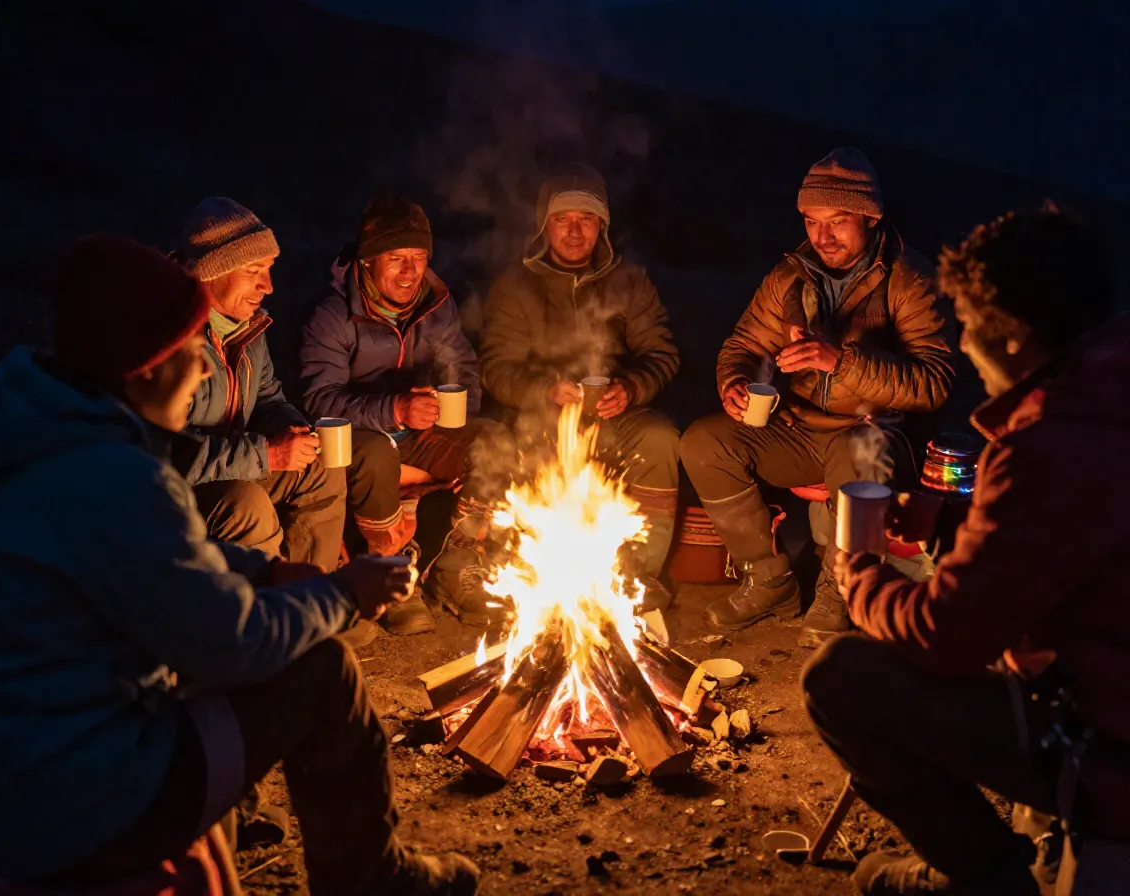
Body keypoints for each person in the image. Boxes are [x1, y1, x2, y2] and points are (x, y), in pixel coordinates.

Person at [0, 235, 479, 895]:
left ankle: (241, 815)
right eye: (192, 352)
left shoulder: (35, 437)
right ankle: (371, 879)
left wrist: (262, 572)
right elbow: (237, 644)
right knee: (321, 671)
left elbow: (150, 562)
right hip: (79, 810)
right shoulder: (119, 477)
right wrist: (344, 593)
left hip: (8, 787)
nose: (206, 370)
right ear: (148, 366)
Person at [803, 206, 1130, 895]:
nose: (966, 343)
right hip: (1104, 692)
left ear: (1010, 337)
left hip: (1104, 744)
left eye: (973, 326)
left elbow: (943, 634)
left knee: (840, 679)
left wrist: (858, 574)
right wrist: (965, 532)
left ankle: (987, 878)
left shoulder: (1049, 442)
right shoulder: (1108, 393)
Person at [680, 147, 955, 642]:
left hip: (876, 434)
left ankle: (842, 587)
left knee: (861, 455)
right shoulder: (791, 276)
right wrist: (734, 383)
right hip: (799, 428)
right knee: (704, 442)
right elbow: (743, 344)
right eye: (810, 221)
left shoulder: (909, 280)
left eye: (837, 221)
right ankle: (770, 581)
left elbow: (933, 383)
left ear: (870, 217)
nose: (821, 237)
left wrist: (841, 362)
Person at [300, 195, 510, 633]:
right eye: (396, 259)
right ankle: (390, 577)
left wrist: (450, 412)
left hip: (417, 432)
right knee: (377, 453)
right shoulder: (331, 315)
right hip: (356, 438)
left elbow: (466, 370)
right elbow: (319, 401)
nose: (410, 272)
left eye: (418, 258)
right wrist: (394, 408)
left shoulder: (436, 306)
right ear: (368, 261)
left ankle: (456, 563)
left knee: (495, 444)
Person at [480, 164, 681, 612]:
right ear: (543, 226)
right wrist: (546, 391)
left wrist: (631, 387)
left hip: (616, 413)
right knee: (528, 444)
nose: (574, 231)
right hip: (544, 416)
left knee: (661, 438)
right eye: (562, 219)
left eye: (586, 219)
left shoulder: (628, 281)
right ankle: (540, 575)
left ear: (602, 226)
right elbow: (496, 369)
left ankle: (639, 575)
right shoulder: (516, 286)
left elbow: (662, 354)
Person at [176, 197, 347, 576]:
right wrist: (266, 455)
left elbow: (267, 397)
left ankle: (314, 602)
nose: (267, 286)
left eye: (268, 269)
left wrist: (293, 431)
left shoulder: (247, 327)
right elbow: (165, 453)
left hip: (231, 464)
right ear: (211, 271)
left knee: (321, 466)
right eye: (254, 271)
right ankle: (262, 623)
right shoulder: (168, 335)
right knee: (246, 502)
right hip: (171, 491)